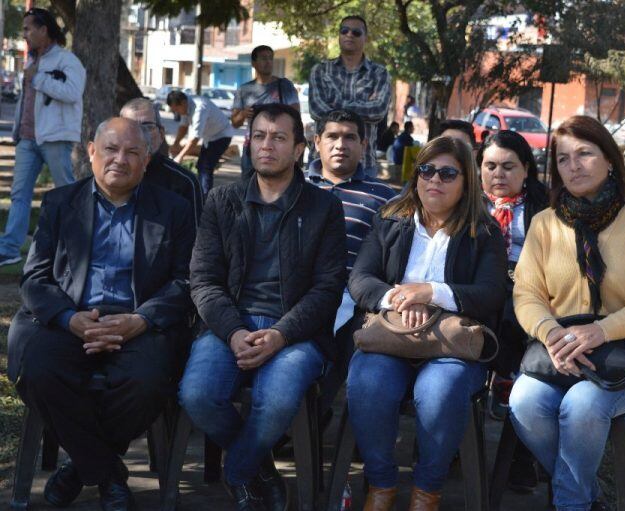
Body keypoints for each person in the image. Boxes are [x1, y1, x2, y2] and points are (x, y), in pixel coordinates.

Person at [8, 118, 195, 511]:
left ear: (147, 161)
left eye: (132, 152)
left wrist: (140, 320)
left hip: (139, 323)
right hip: (73, 319)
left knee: (147, 382)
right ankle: (108, 473)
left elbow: (186, 282)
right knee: (39, 371)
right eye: (111, 149)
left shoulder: (173, 210)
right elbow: (35, 278)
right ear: (91, 151)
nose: (120, 160)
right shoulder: (61, 203)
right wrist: (67, 319)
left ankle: (79, 467)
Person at [178, 103, 347, 511]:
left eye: (279, 137)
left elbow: (328, 289)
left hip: (295, 331)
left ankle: (238, 471)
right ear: (247, 142)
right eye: (259, 136)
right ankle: (263, 469)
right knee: (197, 394)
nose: (266, 146)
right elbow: (203, 280)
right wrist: (234, 331)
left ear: (299, 149)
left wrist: (281, 334)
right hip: (228, 325)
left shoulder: (323, 208)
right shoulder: (222, 200)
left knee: (276, 402)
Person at [508, 116, 625, 511]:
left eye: (585, 153)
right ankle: (588, 497)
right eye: (563, 159)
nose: (574, 166)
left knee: (581, 406)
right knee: (524, 401)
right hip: (562, 354)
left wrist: (600, 332)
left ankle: (571, 504)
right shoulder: (544, 224)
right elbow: (527, 294)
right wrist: (551, 334)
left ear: (610, 161)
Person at [347, 136, 507, 510]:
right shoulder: (391, 220)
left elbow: (489, 294)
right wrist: (401, 298)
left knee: (439, 392)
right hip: (391, 335)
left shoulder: (483, 233)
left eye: (448, 173)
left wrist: (431, 292)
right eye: (427, 169)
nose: (434, 179)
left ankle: (427, 491)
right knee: (368, 382)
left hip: (451, 345)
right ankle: (382, 485)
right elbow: (361, 279)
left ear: (466, 182)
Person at [307, 109, 396, 415]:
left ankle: (316, 416)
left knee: (352, 337)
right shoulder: (296, 187)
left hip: (355, 299)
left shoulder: (385, 199)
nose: (340, 145)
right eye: (332, 136)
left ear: (364, 145)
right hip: (295, 293)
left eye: (349, 137)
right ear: (317, 142)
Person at [477, 130, 549, 491]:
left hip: (529, 293)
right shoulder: (466, 201)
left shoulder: (544, 205)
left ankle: (521, 456)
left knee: (527, 356)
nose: (498, 174)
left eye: (508, 166)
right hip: (479, 294)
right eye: (490, 166)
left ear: (525, 170)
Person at [0, 8, 85, 267]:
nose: (24, 34)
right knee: (19, 194)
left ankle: (77, 246)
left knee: (65, 193)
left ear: (43, 30)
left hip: (55, 138)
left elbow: (73, 92)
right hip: (27, 138)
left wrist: (37, 79)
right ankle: (10, 248)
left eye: (28, 28)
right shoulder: (31, 60)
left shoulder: (67, 60)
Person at [309, 15, 391, 176]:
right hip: (321, 164)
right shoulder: (320, 70)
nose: (349, 35)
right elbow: (316, 110)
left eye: (356, 32)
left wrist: (335, 108)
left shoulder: (379, 73)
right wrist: (360, 107)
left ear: (365, 38)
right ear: (339, 35)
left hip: (364, 163)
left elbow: (378, 110)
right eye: (344, 30)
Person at [120, 97, 204, 225]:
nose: (140, 134)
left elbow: (197, 238)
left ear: (161, 134)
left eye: (147, 127)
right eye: (131, 127)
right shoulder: (111, 176)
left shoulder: (184, 182)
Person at [232, 45, 300, 180]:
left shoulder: (284, 85)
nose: (268, 62)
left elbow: (296, 115)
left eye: (270, 58)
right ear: (253, 63)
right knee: (247, 187)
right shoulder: (244, 89)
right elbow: (235, 123)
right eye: (263, 58)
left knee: (280, 185)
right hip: (252, 146)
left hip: (280, 144)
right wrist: (244, 114)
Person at [167, 90, 234, 197]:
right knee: (200, 166)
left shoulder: (199, 108)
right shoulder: (186, 105)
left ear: (183, 103)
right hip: (210, 137)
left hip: (222, 135)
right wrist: (176, 143)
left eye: (177, 110)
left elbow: (195, 139)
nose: (177, 113)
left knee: (206, 167)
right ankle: (200, 194)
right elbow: (183, 127)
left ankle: (205, 198)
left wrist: (180, 156)